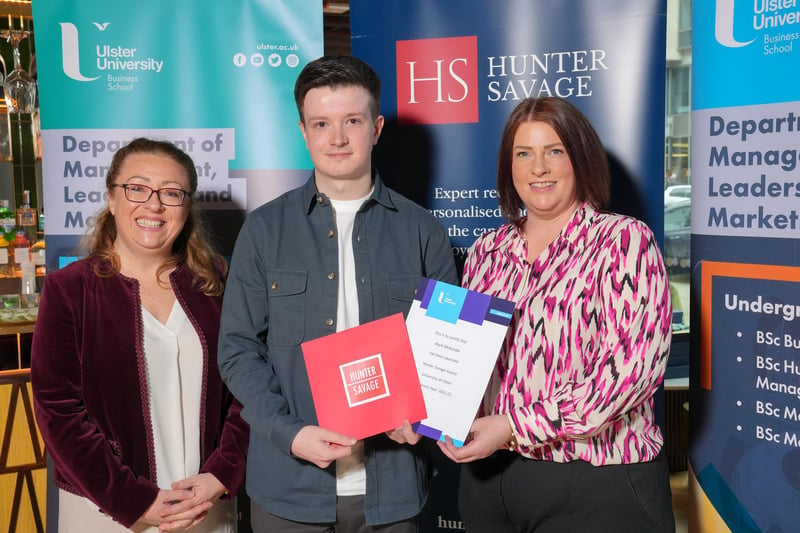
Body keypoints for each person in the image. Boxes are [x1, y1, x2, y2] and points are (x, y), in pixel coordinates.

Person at [217, 55, 457, 532]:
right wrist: (291, 434)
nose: (338, 138)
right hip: (289, 489)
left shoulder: (422, 231)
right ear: (304, 131)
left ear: (377, 127)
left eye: (352, 121)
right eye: (322, 123)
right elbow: (237, 351)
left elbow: (444, 352)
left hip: (394, 489)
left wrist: (426, 411)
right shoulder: (264, 230)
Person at [437, 97, 675, 532]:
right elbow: (463, 359)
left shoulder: (623, 242)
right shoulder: (487, 251)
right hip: (489, 479)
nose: (538, 168)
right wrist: (433, 411)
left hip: (595, 482)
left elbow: (629, 374)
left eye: (554, 151)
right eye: (523, 153)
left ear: (580, 158)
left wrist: (512, 425)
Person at [31, 138, 249, 532]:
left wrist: (221, 475)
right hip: (105, 512)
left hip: (204, 508)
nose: (153, 204)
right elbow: (58, 413)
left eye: (171, 193)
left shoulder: (217, 283)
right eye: (137, 188)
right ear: (112, 199)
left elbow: (247, 392)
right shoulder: (70, 290)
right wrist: (132, 501)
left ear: (187, 208)